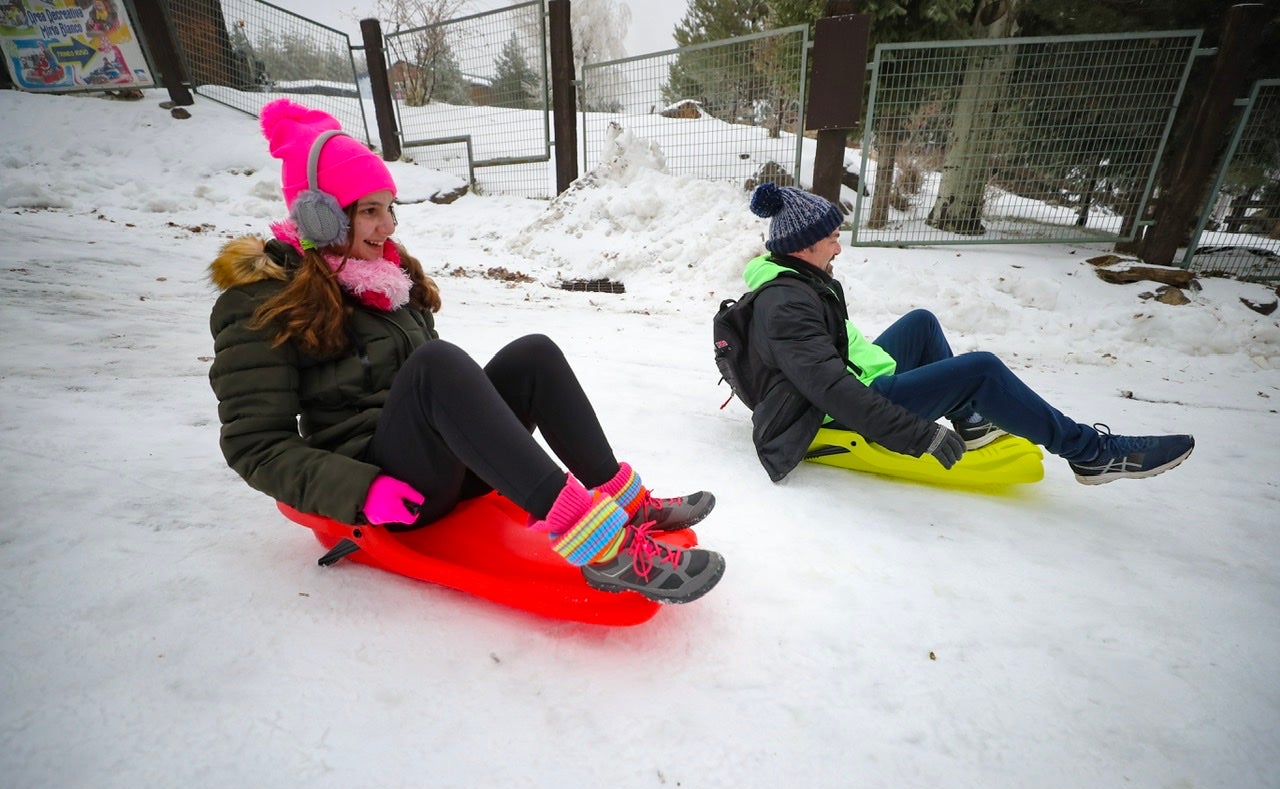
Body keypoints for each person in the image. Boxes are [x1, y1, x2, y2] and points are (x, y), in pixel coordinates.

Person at [208, 99, 723, 604]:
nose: (388, 226)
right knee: (436, 364)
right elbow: (256, 446)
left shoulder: (386, 279)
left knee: (533, 355)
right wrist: (362, 489)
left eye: (389, 209)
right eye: (369, 211)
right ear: (321, 219)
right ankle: (603, 549)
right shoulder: (261, 303)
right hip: (392, 492)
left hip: (442, 468)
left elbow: (436, 400)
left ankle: (626, 502)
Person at [739, 182, 1195, 485]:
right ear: (805, 245)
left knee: (921, 322)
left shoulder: (800, 280)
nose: (839, 246)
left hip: (854, 380)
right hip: (835, 412)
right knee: (981, 370)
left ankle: (972, 421)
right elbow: (829, 388)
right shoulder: (788, 303)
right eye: (832, 238)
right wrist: (919, 434)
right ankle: (1090, 453)